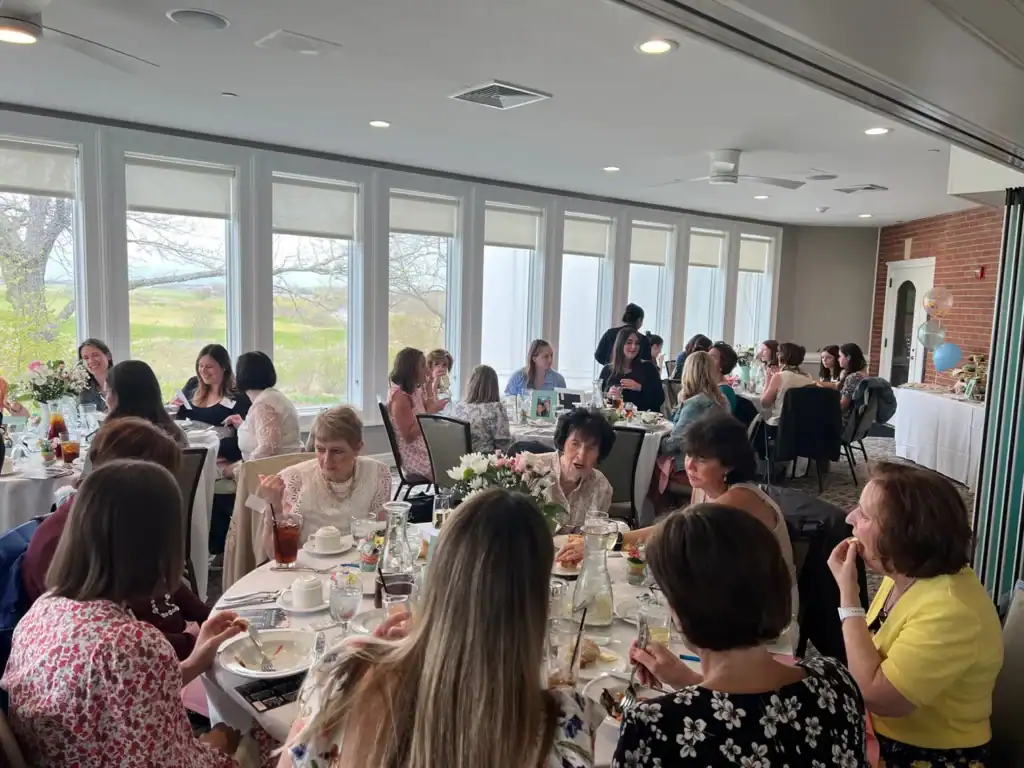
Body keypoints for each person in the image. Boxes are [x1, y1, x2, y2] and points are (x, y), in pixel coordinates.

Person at [280, 488, 603, 768]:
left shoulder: (341, 674)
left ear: (436, 577)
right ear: (538, 603)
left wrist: (375, 659)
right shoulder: (563, 726)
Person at [2, 459, 270, 766]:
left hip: (73, 754)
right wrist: (218, 743)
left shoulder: (45, 607)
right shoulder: (128, 644)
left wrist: (198, 657)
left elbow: (127, 693)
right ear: (156, 545)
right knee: (269, 730)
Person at [613, 503, 868, 767]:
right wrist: (688, 681)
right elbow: (753, 713)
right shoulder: (836, 683)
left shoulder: (656, 725)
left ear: (679, 609)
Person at [829, 463, 1003, 768]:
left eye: (866, 515)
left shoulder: (950, 610)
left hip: (927, 754)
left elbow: (876, 696)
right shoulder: (903, 575)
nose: (850, 518)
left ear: (905, 536)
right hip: (880, 733)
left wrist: (849, 598)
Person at [567, 414, 799, 629]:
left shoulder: (740, 498)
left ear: (729, 464)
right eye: (689, 454)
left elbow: (669, 531)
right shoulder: (704, 489)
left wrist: (603, 542)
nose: (689, 465)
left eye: (702, 458)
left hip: (768, 608)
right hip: (729, 590)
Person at [21, 417, 210, 661]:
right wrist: (195, 643)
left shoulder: (123, 519)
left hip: (162, 649)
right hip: (138, 665)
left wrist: (208, 616)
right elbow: (109, 645)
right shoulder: (61, 543)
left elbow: (162, 578)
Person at [258, 406, 391, 548]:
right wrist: (273, 507)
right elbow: (275, 555)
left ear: (358, 448)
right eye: (320, 449)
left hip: (359, 561)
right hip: (308, 566)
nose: (327, 460)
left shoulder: (377, 473)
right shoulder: (293, 480)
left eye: (337, 451)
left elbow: (380, 537)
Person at [523, 409, 614, 529]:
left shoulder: (601, 486)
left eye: (591, 448)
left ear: (599, 453)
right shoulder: (532, 469)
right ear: (563, 443)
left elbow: (597, 535)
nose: (581, 455)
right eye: (575, 444)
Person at [172, 343, 251, 462]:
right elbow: (178, 416)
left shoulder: (238, 396)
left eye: (209, 366)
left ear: (224, 367)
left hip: (219, 456)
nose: (203, 371)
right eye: (200, 365)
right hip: (189, 447)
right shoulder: (193, 384)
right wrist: (175, 407)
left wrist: (213, 445)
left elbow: (243, 436)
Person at [660, 352, 729, 473]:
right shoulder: (722, 400)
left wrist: (656, 443)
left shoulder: (695, 404)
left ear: (688, 373)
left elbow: (676, 444)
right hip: (717, 467)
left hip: (689, 467)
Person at [230, 351, 302, 464]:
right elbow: (266, 430)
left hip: (274, 472)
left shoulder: (264, 405)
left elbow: (269, 447)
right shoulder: (272, 396)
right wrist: (243, 425)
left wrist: (240, 468)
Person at [386, 347, 444, 481]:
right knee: (459, 460)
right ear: (411, 370)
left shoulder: (414, 391)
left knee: (460, 454)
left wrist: (429, 387)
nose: (428, 370)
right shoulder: (400, 397)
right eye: (423, 366)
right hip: (417, 457)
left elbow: (429, 407)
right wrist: (430, 413)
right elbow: (409, 436)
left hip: (425, 447)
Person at [103, 359, 188, 447]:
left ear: (122, 397)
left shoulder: (112, 440)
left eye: (108, 392)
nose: (106, 400)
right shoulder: (177, 435)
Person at [445, 365, 511, 454]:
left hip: (459, 460)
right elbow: (503, 445)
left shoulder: (457, 407)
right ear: (494, 386)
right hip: (484, 462)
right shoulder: (496, 408)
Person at [599, 327, 664, 413]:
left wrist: (640, 388)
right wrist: (609, 395)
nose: (633, 347)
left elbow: (660, 399)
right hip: (614, 422)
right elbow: (600, 400)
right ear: (620, 345)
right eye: (629, 343)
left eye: (637, 343)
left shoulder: (648, 368)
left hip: (642, 423)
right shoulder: (607, 370)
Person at [761, 342, 815, 424]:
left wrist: (768, 380)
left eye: (778, 354)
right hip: (802, 424)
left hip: (780, 424)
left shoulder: (779, 376)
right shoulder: (808, 377)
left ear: (782, 356)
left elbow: (765, 404)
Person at [820, 342, 869, 424]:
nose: (838, 359)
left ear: (848, 357)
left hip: (844, 422)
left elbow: (843, 406)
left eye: (840, 356)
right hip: (855, 421)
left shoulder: (853, 378)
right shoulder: (862, 375)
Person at [77, 338, 113, 412]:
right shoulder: (84, 387)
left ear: (108, 356)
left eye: (95, 355)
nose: (91, 361)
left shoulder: (123, 382)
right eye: (86, 358)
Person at [708, 340, 739, 414]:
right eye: (707, 356)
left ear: (723, 364)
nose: (707, 360)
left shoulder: (724, 390)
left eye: (712, 357)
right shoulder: (712, 386)